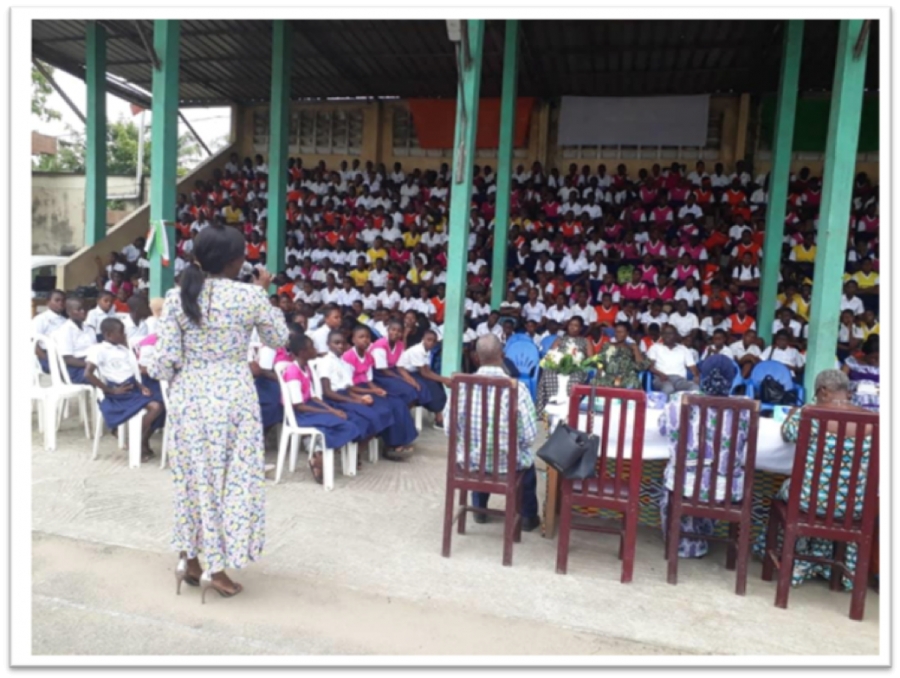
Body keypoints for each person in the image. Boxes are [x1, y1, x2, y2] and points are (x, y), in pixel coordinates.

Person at [149, 223, 289, 602]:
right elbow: (279, 339)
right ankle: (217, 568)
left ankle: (191, 561)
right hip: (233, 400)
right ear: (235, 261)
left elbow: (163, 362)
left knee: (194, 481)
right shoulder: (250, 297)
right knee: (231, 486)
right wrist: (262, 293)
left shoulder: (177, 297)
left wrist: (186, 376)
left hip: (190, 399)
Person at [752, 370, 874, 590]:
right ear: (847, 392)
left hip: (809, 501)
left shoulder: (809, 413)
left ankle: (789, 558)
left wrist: (795, 413)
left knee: (783, 491)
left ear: (823, 391)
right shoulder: (873, 420)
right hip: (854, 507)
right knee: (833, 498)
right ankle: (829, 566)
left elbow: (787, 434)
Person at [443, 334, 541, 532]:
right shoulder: (518, 389)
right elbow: (530, 436)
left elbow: (448, 429)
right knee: (527, 465)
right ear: (503, 356)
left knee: (479, 455)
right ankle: (528, 518)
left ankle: (479, 509)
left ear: (476, 357)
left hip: (469, 463)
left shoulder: (460, 387)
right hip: (507, 464)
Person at [659, 356, 752, 557]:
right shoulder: (745, 409)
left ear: (701, 376)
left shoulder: (679, 401)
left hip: (685, 485)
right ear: (732, 378)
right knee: (714, 479)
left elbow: (663, 428)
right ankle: (701, 536)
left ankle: (682, 541)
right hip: (725, 491)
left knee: (674, 475)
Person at [282, 334, 362, 484]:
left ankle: (318, 455)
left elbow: (314, 397)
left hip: (310, 407)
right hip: (300, 414)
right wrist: (329, 412)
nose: (316, 350)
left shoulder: (306, 368)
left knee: (346, 419)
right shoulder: (293, 372)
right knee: (345, 425)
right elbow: (299, 405)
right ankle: (320, 456)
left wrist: (331, 410)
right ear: (301, 352)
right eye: (311, 347)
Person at [85, 318, 165, 462]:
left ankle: (140, 440)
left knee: (161, 403)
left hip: (132, 388)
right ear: (109, 335)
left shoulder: (123, 349)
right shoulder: (98, 349)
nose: (124, 335)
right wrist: (110, 390)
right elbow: (88, 373)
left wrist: (141, 386)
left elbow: (132, 372)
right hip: (118, 391)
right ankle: (136, 439)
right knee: (156, 406)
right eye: (121, 332)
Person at [343, 324, 418, 458]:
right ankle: (374, 448)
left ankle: (394, 443)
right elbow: (348, 386)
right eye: (361, 337)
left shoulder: (368, 357)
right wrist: (371, 392)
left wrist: (376, 389)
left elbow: (369, 379)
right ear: (353, 339)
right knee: (385, 408)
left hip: (366, 387)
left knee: (397, 403)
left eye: (367, 337)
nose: (365, 340)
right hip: (354, 391)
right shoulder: (348, 357)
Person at [536, 316, 592, 414]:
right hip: (558, 366)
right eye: (570, 325)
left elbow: (590, 359)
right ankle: (551, 402)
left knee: (576, 377)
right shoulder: (560, 339)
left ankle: (569, 407)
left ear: (581, 328)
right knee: (548, 372)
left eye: (576, 325)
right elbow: (551, 354)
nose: (572, 327)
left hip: (576, 368)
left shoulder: (585, 341)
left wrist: (579, 362)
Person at [51, 298, 97, 384]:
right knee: (105, 376)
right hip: (75, 369)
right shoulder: (65, 331)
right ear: (69, 312)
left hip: (91, 363)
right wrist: (92, 365)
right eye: (79, 309)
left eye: (85, 309)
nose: (83, 311)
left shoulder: (90, 329)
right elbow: (68, 359)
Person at [593, 322, 649, 389]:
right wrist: (600, 370)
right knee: (595, 382)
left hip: (626, 378)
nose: (617, 334)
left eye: (621, 332)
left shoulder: (631, 348)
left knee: (633, 384)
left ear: (627, 333)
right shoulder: (607, 346)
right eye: (616, 332)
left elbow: (640, 366)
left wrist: (635, 348)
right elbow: (599, 360)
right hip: (609, 376)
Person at [647, 326, 700, 395]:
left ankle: (689, 406)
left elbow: (693, 367)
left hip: (679, 380)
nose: (667, 336)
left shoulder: (684, 349)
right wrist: (660, 374)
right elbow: (650, 366)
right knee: (668, 388)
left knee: (694, 387)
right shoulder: (655, 348)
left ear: (676, 336)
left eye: (670, 333)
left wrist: (696, 376)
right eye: (664, 333)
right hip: (661, 378)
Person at [32, 289, 67, 372]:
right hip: (46, 354)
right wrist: (45, 358)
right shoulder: (41, 319)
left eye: (63, 301)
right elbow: (32, 340)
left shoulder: (65, 320)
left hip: (63, 353)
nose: (60, 303)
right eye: (57, 300)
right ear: (48, 302)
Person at [843, 335, 879, 411]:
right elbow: (840, 383)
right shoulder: (850, 363)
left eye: (879, 358)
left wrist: (862, 388)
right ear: (864, 354)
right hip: (855, 403)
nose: (876, 360)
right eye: (873, 357)